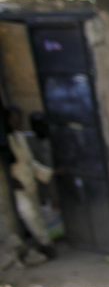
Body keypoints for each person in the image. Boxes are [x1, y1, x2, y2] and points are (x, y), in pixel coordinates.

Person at [5, 105, 55, 256]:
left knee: (37, 215)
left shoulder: (19, 137)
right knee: (28, 213)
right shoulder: (5, 141)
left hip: (29, 182)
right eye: (14, 119)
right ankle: (45, 243)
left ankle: (45, 244)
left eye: (19, 118)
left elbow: (29, 162)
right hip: (18, 185)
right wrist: (11, 180)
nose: (17, 122)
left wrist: (50, 172)